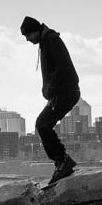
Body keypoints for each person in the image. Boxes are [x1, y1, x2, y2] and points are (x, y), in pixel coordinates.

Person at [21, 15, 80, 184]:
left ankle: (62, 160)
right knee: (43, 124)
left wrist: (51, 88)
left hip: (66, 92)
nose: (27, 40)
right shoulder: (46, 41)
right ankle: (61, 160)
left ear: (35, 31)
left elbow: (63, 67)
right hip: (61, 93)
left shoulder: (51, 40)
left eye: (27, 36)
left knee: (42, 124)